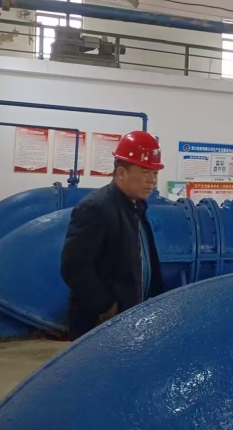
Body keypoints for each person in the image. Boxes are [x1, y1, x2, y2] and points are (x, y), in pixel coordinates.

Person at [61, 131, 164, 340]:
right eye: (145, 172)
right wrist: (105, 306)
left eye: (155, 173)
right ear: (121, 173)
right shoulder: (95, 208)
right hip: (100, 324)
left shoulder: (137, 207)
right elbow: (74, 267)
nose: (152, 180)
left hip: (130, 317)